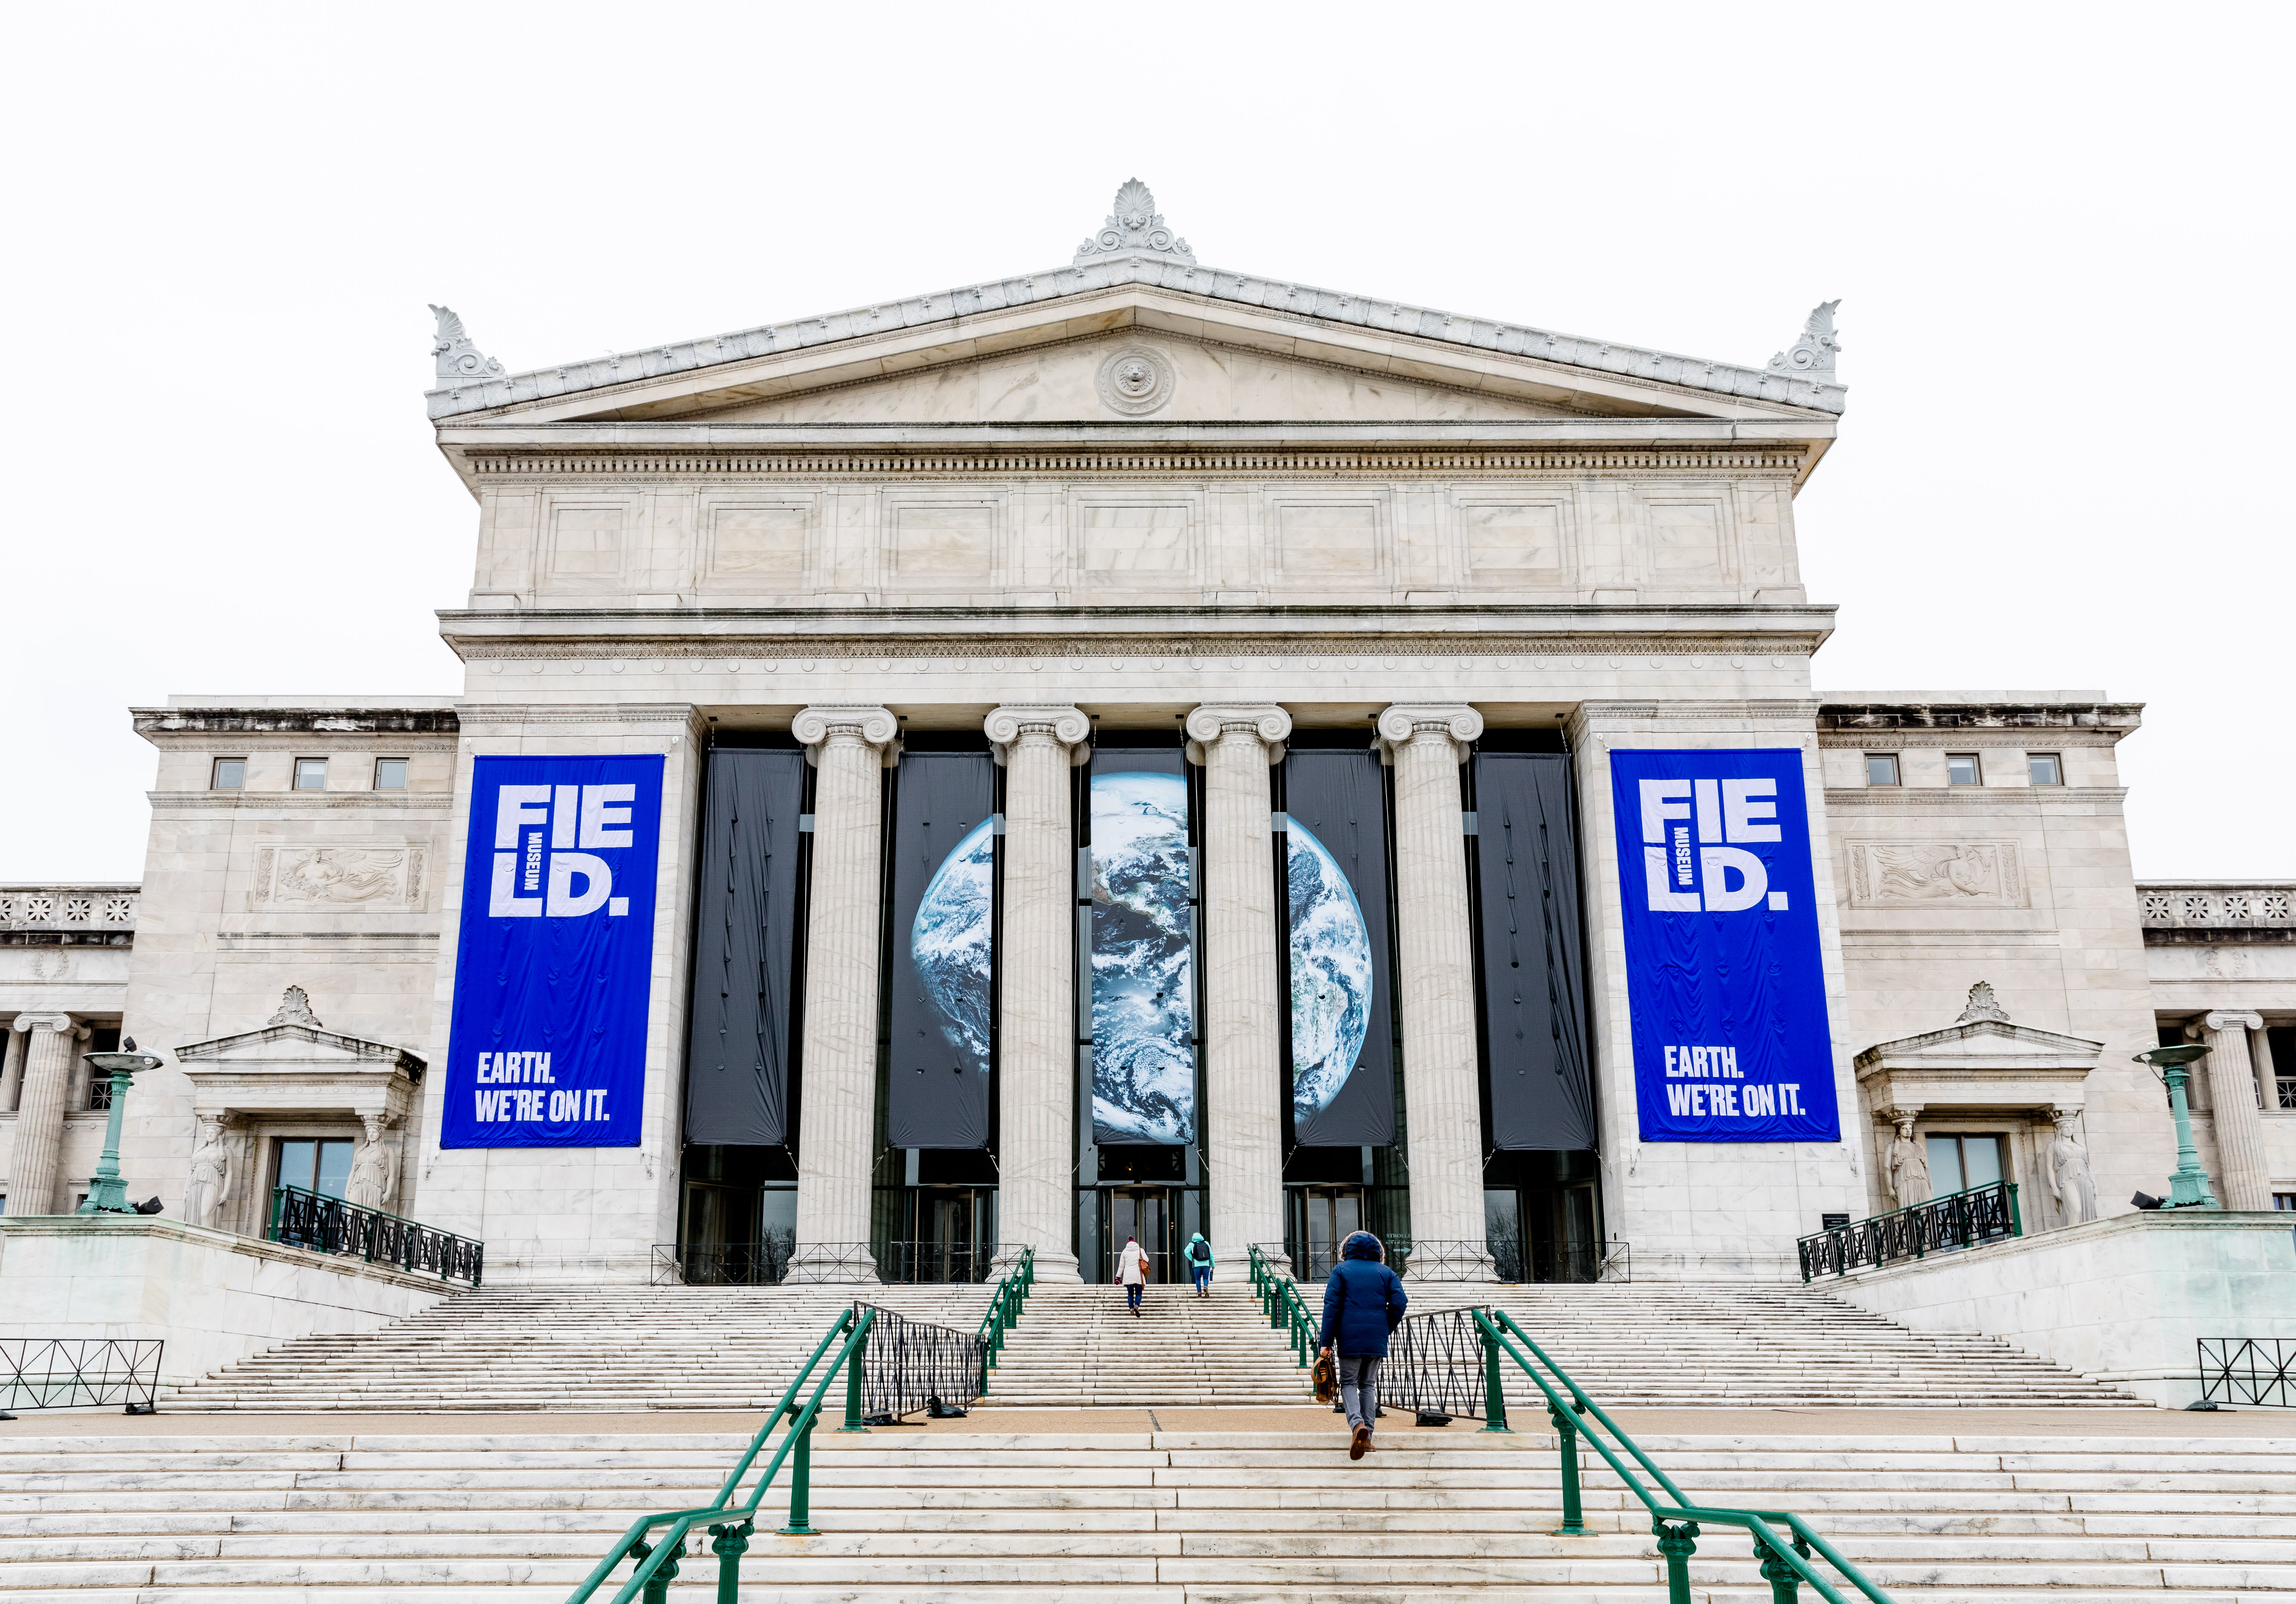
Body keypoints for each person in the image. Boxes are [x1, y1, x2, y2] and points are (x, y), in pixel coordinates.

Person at [1317, 1230, 1406, 1461]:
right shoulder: (1387, 1272)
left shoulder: (1341, 1271)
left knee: (1349, 1383)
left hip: (1349, 1336)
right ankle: (1368, 1438)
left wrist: (1326, 1342)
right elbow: (1400, 1303)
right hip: (1376, 1336)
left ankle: (1357, 1425)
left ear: (1348, 1250)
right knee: (1368, 1385)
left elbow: (1332, 1308)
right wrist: (1385, 1327)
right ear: (1378, 1252)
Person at [1118, 1234, 1150, 1315]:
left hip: (1128, 1275)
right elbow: (1147, 1260)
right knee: (1139, 1293)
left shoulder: (1124, 1252)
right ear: (1135, 1242)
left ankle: (1132, 1310)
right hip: (1138, 1275)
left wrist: (1118, 1277)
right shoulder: (1140, 1250)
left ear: (1128, 1243)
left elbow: (1122, 1266)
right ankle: (1136, 1306)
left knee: (1130, 1294)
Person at [1184, 1232, 1215, 1297]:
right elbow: (1211, 1255)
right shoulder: (1206, 1243)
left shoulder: (1192, 1244)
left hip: (1197, 1264)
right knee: (1206, 1278)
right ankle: (1206, 1287)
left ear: (1193, 1238)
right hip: (1206, 1264)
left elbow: (1186, 1252)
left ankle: (1199, 1293)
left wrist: (1193, 1259)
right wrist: (1213, 1265)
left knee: (1198, 1279)